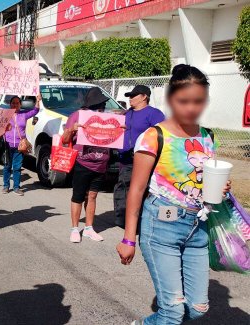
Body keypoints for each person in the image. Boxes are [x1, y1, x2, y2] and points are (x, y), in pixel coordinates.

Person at [117, 65, 231, 325]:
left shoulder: (207, 136)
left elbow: (203, 178)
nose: (191, 108)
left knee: (199, 309)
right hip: (161, 228)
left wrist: (222, 188)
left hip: (198, 228)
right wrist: (128, 239)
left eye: (198, 101)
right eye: (184, 101)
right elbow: (136, 189)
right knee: (173, 313)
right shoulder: (154, 136)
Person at [62, 87, 113, 243]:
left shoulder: (107, 118)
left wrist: (119, 131)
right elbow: (64, 140)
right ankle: (75, 229)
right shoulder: (77, 116)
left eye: (103, 105)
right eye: (100, 104)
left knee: (92, 196)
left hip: (101, 163)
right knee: (78, 196)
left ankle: (89, 228)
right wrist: (72, 129)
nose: (102, 107)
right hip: (82, 162)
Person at [113, 85, 165, 227]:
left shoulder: (154, 114)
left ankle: (141, 222)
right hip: (125, 158)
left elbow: (162, 135)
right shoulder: (127, 113)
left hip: (143, 160)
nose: (130, 98)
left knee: (142, 190)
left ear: (144, 97)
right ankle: (123, 220)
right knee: (123, 188)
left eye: (133, 95)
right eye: (129, 96)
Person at [0, 94, 41, 196]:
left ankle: (16, 187)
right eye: (13, 103)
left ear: (20, 104)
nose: (15, 105)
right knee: (7, 166)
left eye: (17, 103)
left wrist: (38, 100)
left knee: (17, 167)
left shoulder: (24, 114)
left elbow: (35, 111)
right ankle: (6, 186)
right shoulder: (5, 114)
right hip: (7, 144)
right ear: (10, 104)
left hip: (20, 145)